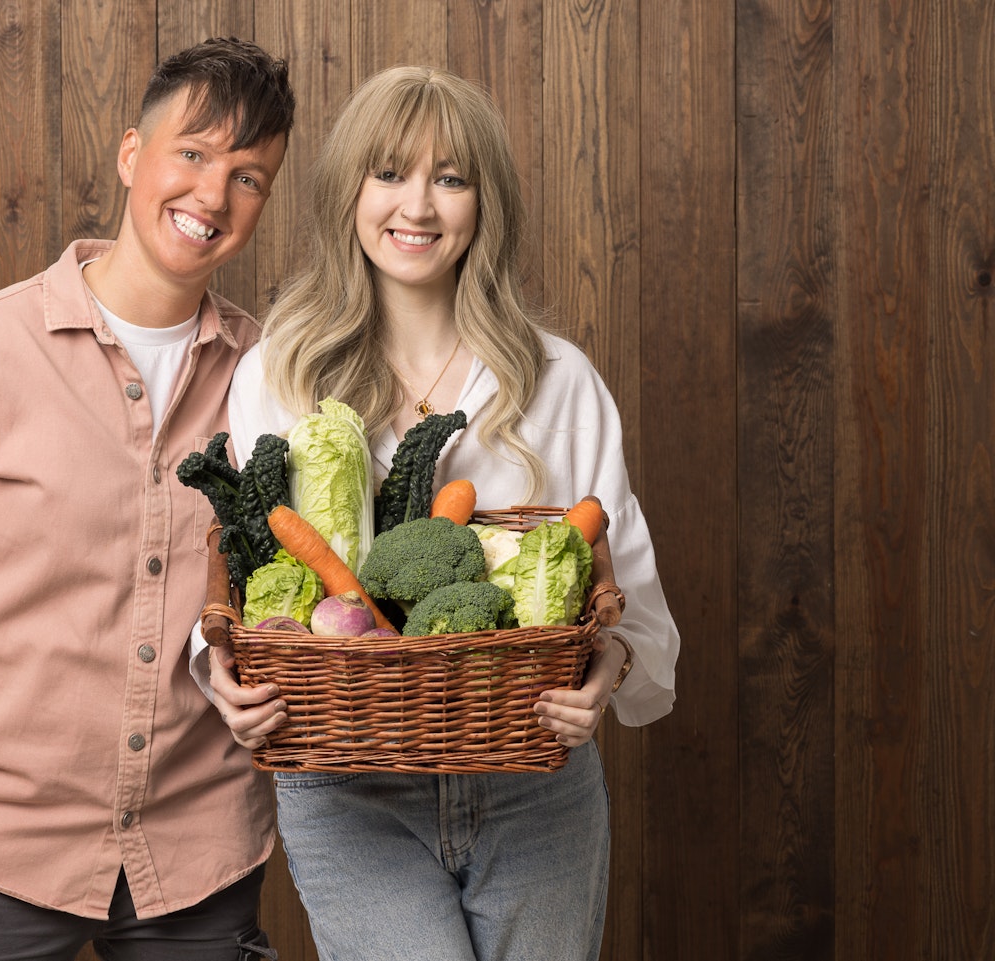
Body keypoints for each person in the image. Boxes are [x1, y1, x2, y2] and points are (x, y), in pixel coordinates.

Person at [0, 38, 295, 961]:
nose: (212, 196)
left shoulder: (270, 380)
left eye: (248, 177)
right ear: (132, 154)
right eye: (193, 155)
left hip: (197, 846)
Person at [202, 66, 679, 961]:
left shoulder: (558, 376)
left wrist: (602, 680)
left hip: (533, 779)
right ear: (350, 189)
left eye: (450, 178)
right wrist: (223, 671)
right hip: (347, 786)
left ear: (482, 203)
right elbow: (242, 556)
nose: (417, 206)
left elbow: (622, 582)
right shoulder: (279, 371)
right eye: (389, 172)